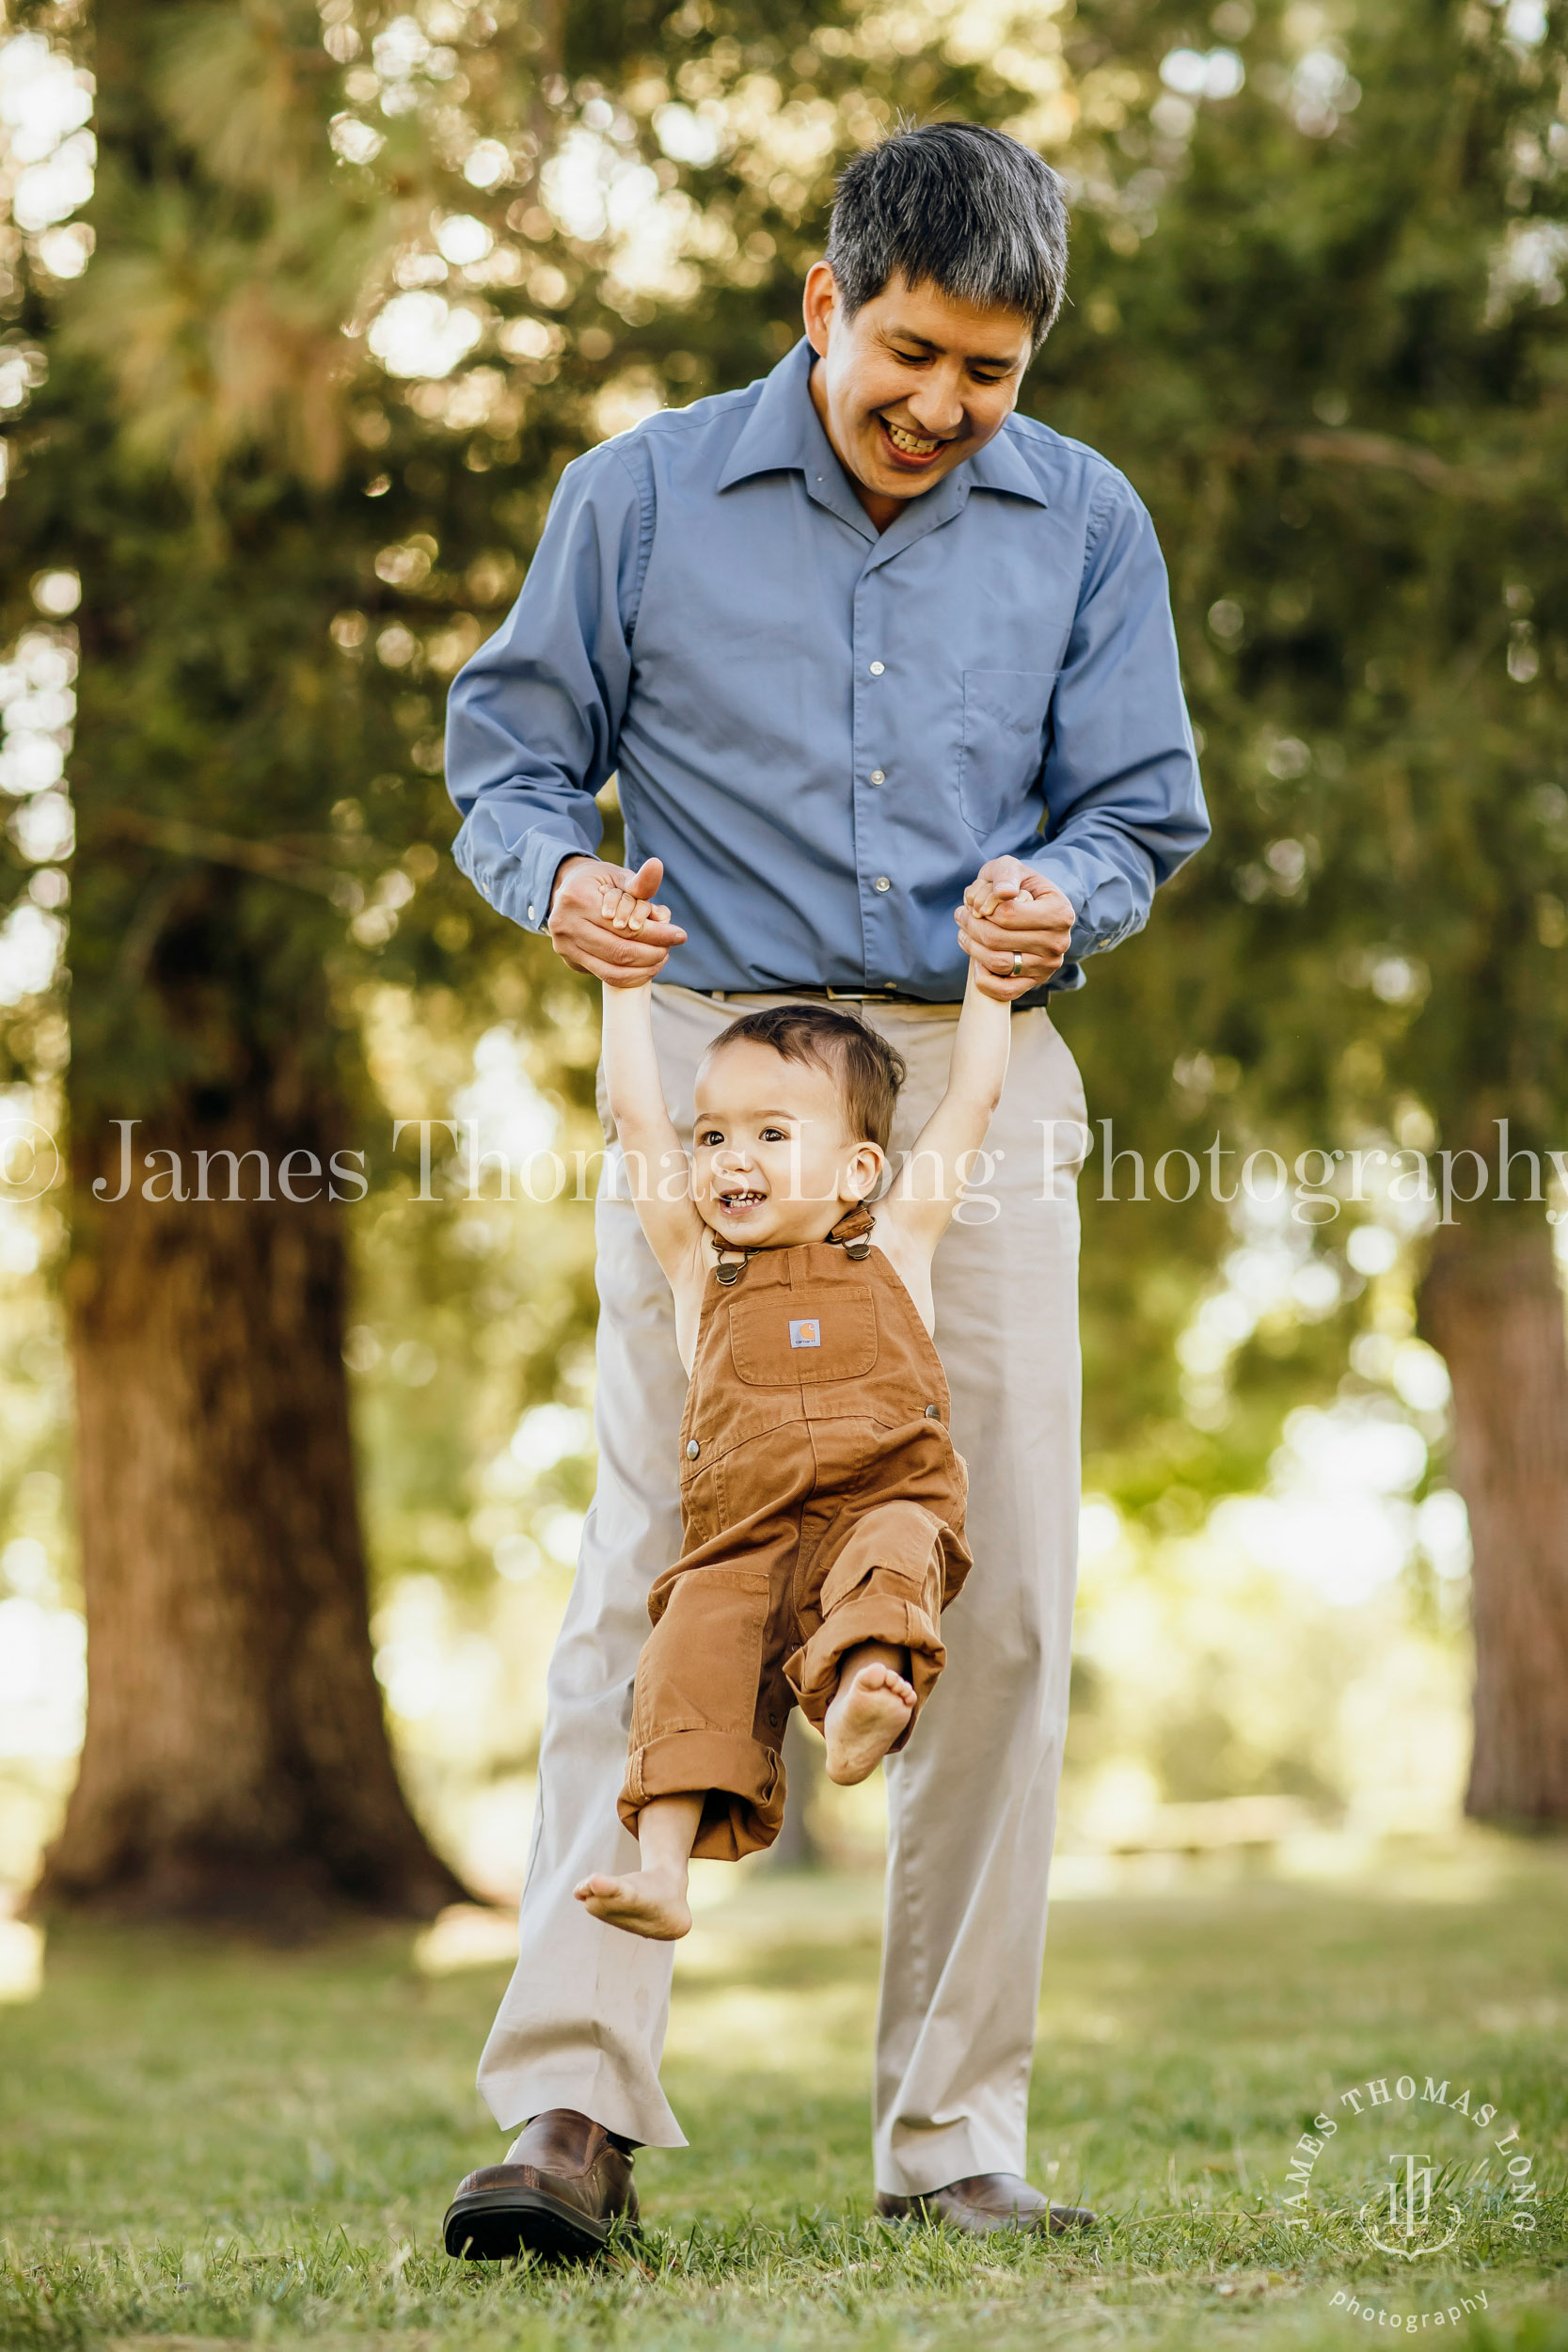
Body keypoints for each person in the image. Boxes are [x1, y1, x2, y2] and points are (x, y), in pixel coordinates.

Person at [442, 119, 1209, 2263]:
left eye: (993, 371)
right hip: (711, 1058)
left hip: (973, 1063)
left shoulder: (1085, 524)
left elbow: (1140, 806)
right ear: (822, 302)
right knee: (659, 1563)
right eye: (912, 354)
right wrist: (558, 876)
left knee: (1010, 1585)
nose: (946, 408)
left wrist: (1071, 889)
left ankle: (953, 2133)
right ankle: (567, 2112)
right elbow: (507, 752)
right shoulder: (645, 494)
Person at [574, 881, 1021, 1943]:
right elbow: (635, 1116)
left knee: (895, 1552)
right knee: (687, 1657)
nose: (732, 1159)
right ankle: (662, 1874)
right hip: (741, 1538)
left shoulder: (897, 1244)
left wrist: (990, 990)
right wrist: (625, 987)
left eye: (771, 1134)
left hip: (879, 1498)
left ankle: (864, 1694)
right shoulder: (697, 1268)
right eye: (716, 1135)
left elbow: (969, 1107)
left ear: (858, 1168)